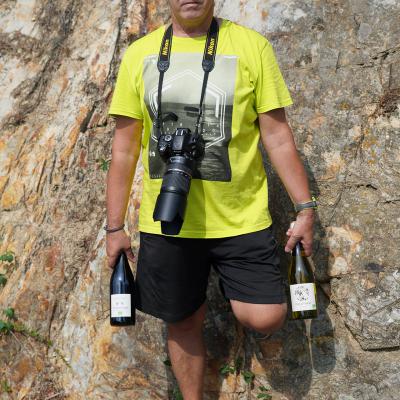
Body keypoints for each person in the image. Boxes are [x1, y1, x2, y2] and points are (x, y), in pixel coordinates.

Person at [105, 1, 315, 398]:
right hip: (169, 220)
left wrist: (305, 208)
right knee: (182, 320)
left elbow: (277, 137)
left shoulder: (251, 47)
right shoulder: (140, 54)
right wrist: (114, 228)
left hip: (241, 217)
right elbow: (124, 150)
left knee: (266, 316)